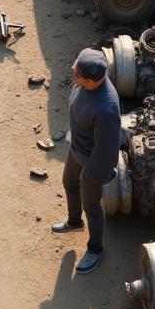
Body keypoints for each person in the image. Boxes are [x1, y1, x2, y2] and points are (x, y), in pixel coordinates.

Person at [51, 48, 121, 275]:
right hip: (76, 148)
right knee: (69, 183)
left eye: (77, 73)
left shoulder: (106, 108)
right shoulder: (85, 83)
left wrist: (92, 173)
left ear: (91, 81)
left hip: (93, 163)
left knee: (91, 206)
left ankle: (95, 249)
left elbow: (108, 148)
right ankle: (74, 222)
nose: (72, 69)